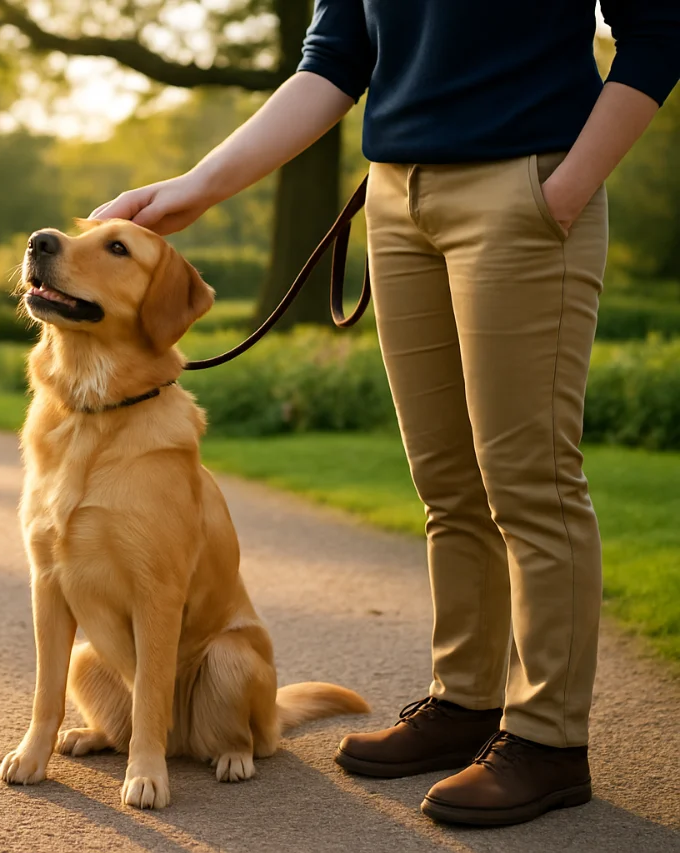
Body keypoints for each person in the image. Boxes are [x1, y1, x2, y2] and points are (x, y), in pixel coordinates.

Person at [91, 1, 679, 828]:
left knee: (529, 479)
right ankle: (466, 701)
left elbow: (659, 29)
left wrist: (570, 183)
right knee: (446, 480)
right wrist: (198, 187)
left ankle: (548, 740)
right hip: (397, 199)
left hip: (529, 184)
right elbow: (335, 57)